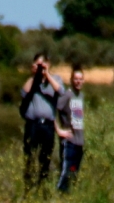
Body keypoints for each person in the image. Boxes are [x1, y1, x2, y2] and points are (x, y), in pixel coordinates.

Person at [18, 52, 63, 191]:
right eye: (38, 65)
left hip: (48, 126)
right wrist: (34, 76)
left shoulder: (56, 79)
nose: (40, 68)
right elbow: (23, 93)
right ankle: (27, 188)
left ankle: (42, 188)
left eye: (43, 64)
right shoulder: (32, 81)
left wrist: (47, 74)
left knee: (45, 159)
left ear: (48, 64)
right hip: (33, 124)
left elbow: (61, 91)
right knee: (29, 157)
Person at [54, 67, 86, 193]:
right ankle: (58, 196)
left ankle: (68, 197)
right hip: (69, 143)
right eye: (76, 79)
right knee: (66, 173)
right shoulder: (67, 95)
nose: (78, 81)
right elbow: (51, 110)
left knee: (73, 173)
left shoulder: (80, 96)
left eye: (80, 79)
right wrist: (59, 130)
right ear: (71, 80)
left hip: (79, 142)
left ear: (83, 81)